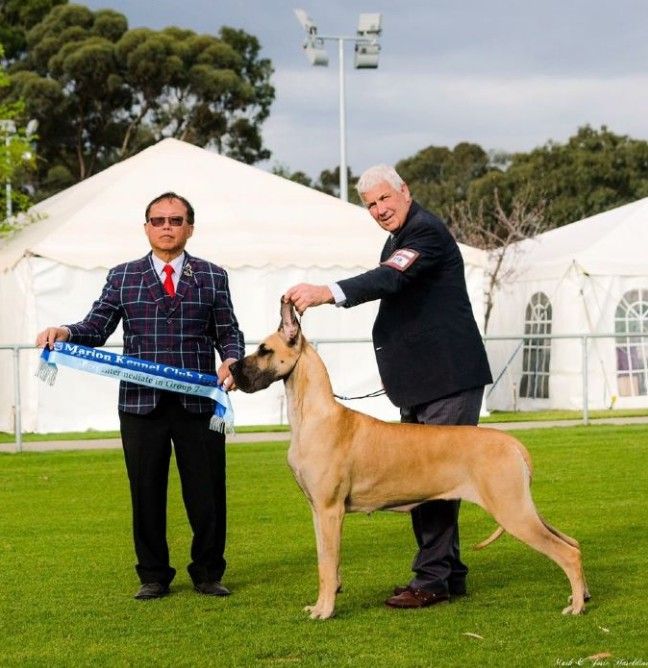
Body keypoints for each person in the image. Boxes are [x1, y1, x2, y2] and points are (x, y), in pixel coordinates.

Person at [285, 164, 492, 609]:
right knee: (425, 479)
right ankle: (448, 574)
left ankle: (431, 580)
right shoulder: (398, 238)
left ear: (405, 192)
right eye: (370, 204)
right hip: (421, 381)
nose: (379, 209)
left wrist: (327, 291)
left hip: (448, 379)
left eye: (384, 198)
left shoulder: (424, 232)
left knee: (433, 481)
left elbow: (389, 278)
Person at [35, 191, 244, 601]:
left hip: (199, 402)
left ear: (190, 228)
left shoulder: (213, 275)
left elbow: (228, 331)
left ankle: (207, 573)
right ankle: (153, 575)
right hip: (139, 404)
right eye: (158, 220)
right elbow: (97, 326)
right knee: (145, 492)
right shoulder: (122, 276)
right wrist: (66, 332)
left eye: (175, 220)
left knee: (207, 493)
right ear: (146, 227)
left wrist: (233, 359)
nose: (167, 227)